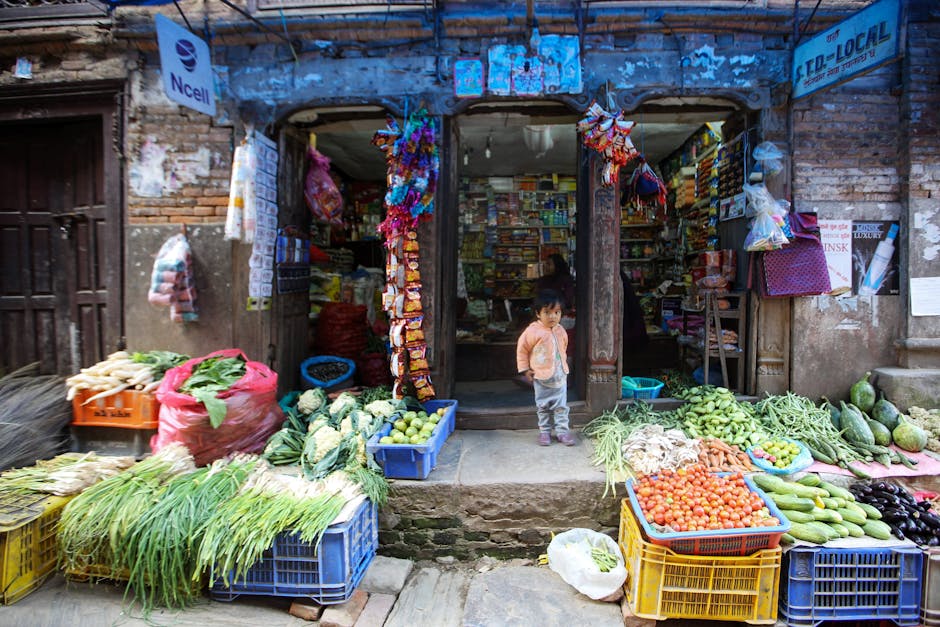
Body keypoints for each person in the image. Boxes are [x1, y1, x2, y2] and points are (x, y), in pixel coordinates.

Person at [516, 289, 575, 447]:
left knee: (561, 407)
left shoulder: (561, 330)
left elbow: (563, 348)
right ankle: (544, 432)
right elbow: (522, 350)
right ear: (537, 313)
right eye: (547, 312)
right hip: (541, 377)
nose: (553, 316)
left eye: (557, 312)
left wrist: (562, 366)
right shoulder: (532, 332)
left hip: (559, 376)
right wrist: (525, 369)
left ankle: (562, 432)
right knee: (543, 407)